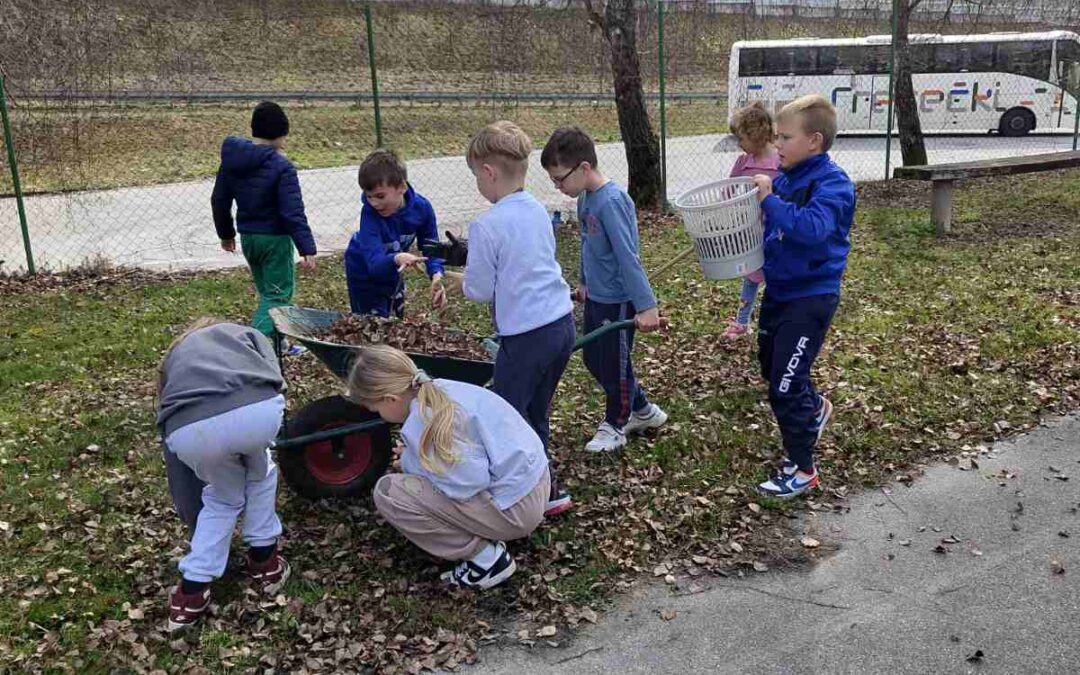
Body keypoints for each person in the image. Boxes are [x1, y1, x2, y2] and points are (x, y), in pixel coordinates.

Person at [447, 120, 575, 517]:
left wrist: (462, 283)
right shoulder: (537, 209)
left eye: (476, 177)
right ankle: (547, 486)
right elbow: (523, 268)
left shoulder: (486, 224)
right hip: (561, 325)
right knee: (536, 410)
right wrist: (465, 278)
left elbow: (481, 290)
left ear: (489, 172)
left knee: (504, 415)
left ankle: (516, 494)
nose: (477, 186)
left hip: (525, 338)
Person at [347, 345, 549, 589]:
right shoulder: (442, 388)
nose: (378, 415)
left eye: (376, 409)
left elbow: (467, 483)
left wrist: (412, 463)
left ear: (391, 399)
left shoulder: (427, 421)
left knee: (389, 492)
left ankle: (486, 559)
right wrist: (418, 457)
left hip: (517, 509)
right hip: (535, 481)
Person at [750, 94, 855, 499]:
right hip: (779, 291)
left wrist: (770, 200)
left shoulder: (833, 185)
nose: (777, 144)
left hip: (811, 297)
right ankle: (814, 408)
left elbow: (811, 229)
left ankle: (803, 468)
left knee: (785, 384)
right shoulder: (786, 176)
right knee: (770, 367)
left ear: (814, 141)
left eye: (785, 137)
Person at [157, 318, 291, 632]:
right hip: (255, 412)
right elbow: (275, 376)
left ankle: (190, 593)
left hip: (189, 431)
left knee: (222, 499)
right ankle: (265, 561)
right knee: (261, 472)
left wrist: (189, 509)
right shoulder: (243, 333)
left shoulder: (175, 357)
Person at [540, 126, 667, 453]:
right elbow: (587, 244)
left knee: (614, 364)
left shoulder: (612, 202)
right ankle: (643, 410)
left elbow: (628, 257)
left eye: (560, 178)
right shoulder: (586, 198)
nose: (558, 186)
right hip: (596, 296)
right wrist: (583, 281)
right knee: (596, 360)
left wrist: (646, 306)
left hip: (619, 301)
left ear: (583, 168)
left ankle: (616, 424)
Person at [211, 101, 317, 354]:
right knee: (278, 297)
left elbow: (219, 200)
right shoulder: (282, 166)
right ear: (282, 133)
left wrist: (226, 234)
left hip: (249, 239)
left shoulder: (232, 161)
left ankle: (279, 345)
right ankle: (251, 347)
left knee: (267, 293)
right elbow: (292, 211)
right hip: (275, 241)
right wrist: (306, 247)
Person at [344, 149, 447, 317]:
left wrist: (436, 275)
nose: (374, 203)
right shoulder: (370, 214)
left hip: (393, 268)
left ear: (402, 187)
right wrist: (397, 258)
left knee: (396, 317)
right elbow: (374, 264)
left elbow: (431, 248)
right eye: (368, 196)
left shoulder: (422, 209)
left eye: (380, 196)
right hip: (363, 271)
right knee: (371, 324)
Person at [722, 102, 782, 340]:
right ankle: (742, 322)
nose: (739, 144)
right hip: (750, 232)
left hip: (776, 232)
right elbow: (728, 190)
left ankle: (776, 321)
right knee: (751, 277)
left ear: (756, 135)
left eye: (742, 138)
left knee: (777, 278)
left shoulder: (780, 162)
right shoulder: (743, 163)